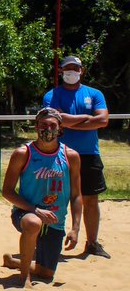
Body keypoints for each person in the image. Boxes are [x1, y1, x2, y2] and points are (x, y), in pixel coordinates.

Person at [0, 108, 82, 288]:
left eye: (52, 125)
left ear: (60, 128)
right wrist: (35, 210)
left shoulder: (71, 156)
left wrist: (75, 228)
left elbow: (76, 195)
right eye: (43, 124)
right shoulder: (23, 153)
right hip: (27, 213)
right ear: (36, 127)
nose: (48, 129)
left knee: (47, 273)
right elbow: (7, 191)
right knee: (33, 223)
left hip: (55, 219)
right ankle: (24, 276)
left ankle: (16, 262)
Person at [42, 55, 109, 259]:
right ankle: (47, 242)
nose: (71, 72)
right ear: (61, 71)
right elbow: (54, 119)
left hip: (89, 154)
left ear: (82, 70)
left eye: (75, 68)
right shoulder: (51, 95)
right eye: (67, 68)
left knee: (90, 199)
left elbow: (103, 119)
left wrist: (69, 121)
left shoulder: (94, 93)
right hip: (59, 154)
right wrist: (88, 118)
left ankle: (92, 242)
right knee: (53, 199)